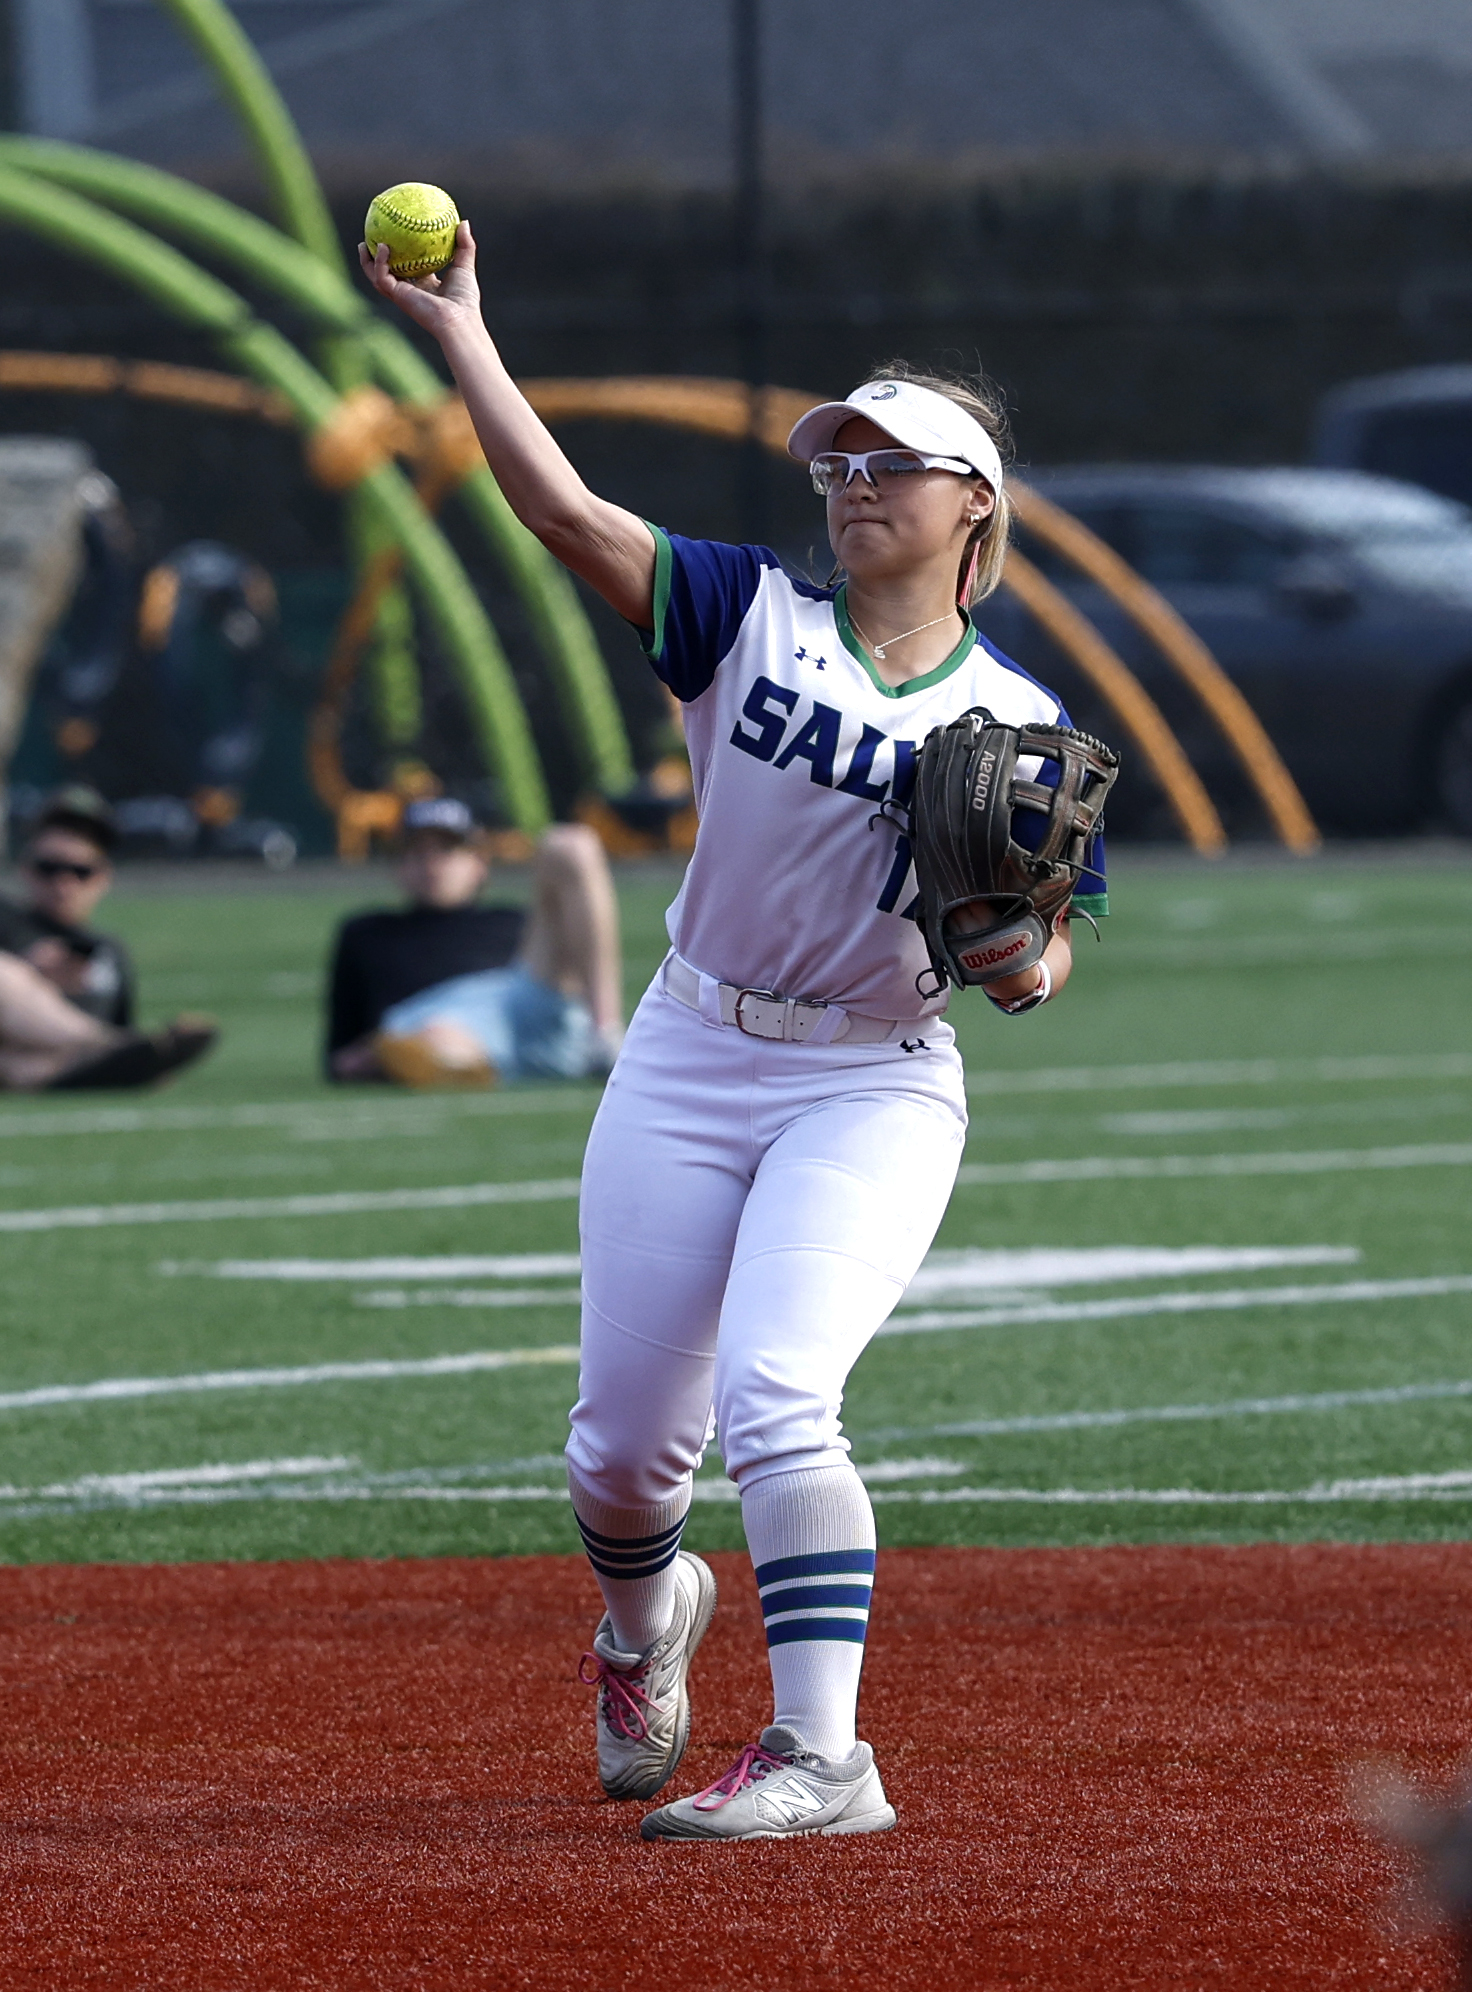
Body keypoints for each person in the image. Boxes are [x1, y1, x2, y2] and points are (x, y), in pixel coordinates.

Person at [364, 227, 1107, 1840]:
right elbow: (564, 512)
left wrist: (1015, 957)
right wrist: (464, 332)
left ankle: (825, 1758)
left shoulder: (1026, 730)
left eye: (891, 461)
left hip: (871, 1078)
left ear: (971, 503)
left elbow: (1041, 954)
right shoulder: (741, 610)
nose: (851, 479)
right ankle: (647, 1629)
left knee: (781, 1392)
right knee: (622, 1460)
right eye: (838, 454)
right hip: (692, 1046)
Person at [326, 796, 623, 1086]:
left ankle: (606, 1037)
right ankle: (455, 1064)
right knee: (435, 1034)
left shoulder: (513, 920)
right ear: (398, 865)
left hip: (521, 1003)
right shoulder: (367, 933)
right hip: (431, 1023)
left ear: (479, 862)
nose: (432, 863)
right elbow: (342, 1054)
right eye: (417, 851)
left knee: (571, 844)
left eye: (446, 849)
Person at [0, 786, 216, 1091]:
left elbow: (124, 1032)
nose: (64, 883)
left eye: (80, 871)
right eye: (49, 869)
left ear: (102, 879)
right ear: (25, 869)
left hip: (40, 1062)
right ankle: (106, 1043)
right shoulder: (5, 917)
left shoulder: (109, 951)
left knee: (21, 1066)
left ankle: (100, 1055)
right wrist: (30, 973)